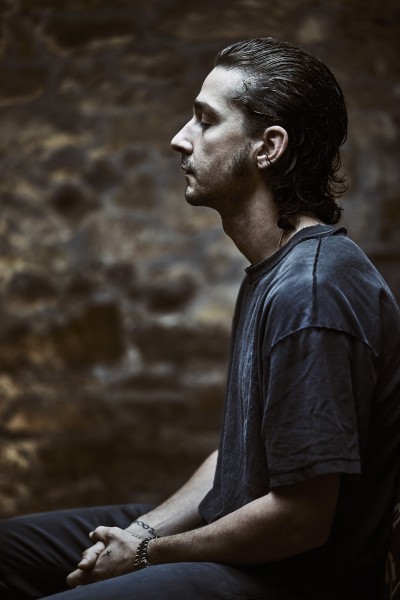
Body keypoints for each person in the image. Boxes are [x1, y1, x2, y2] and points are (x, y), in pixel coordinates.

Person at [1, 36, 400, 600]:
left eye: (206, 120)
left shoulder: (312, 292)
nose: (179, 138)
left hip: (289, 581)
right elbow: (234, 462)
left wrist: (147, 555)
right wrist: (139, 535)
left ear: (268, 147)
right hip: (241, 540)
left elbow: (302, 519)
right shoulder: (274, 270)